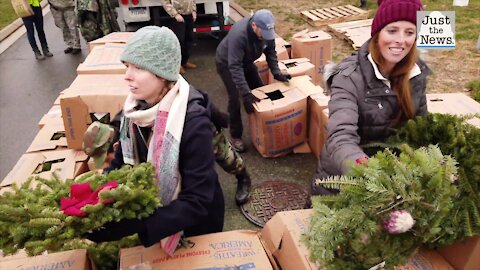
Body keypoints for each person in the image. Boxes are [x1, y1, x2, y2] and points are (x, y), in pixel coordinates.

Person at [85, 26, 224, 253]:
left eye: (138, 67)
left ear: (163, 74)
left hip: (196, 225)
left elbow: (198, 199)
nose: (127, 75)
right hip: (159, 214)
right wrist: (103, 199)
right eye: (127, 65)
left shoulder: (192, 122)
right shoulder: (134, 110)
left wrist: (136, 225)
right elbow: (120, 163)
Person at [312, 0, 431, 195]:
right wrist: (370, 174)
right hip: (344, 183)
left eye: (409, 32)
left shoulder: (416, 75)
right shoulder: (348, 77)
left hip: (397, 181)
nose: (401, 40)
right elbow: (341, 137)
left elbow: (422, 127)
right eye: (392, 30)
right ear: (377, 34)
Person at [215, 9, 290, 153]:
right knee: (235, 97)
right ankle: (235, 136)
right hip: (227, 64)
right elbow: (235, 67)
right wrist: (246, 93)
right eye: (263, 34)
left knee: (261, 91)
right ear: (254, 25)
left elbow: (271, 52)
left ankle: (261, 127)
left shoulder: (267, 30)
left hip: (247, 62)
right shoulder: (240, 35)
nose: (265, 38)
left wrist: (276, 72)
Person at [160, 0, 197, 74]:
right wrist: (175, 14)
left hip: (188, 14)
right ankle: (177, 65)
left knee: (189, 39)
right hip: (178, 15)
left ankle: (184, 62)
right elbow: (166, 2)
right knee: (179, 40)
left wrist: (193, 10)